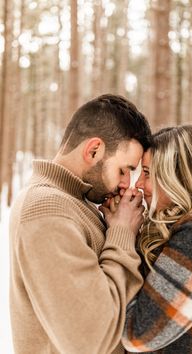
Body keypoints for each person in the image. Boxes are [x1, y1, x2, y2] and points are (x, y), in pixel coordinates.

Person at [9, 94, 152, 354]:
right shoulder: (47, 210)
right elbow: (90, 341)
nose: (125, 184)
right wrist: (121, 233)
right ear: (94, 150)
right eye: (123, 170)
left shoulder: (75, 203)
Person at [119, 125, 192, 353]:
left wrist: (121, 233)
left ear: (179, 176)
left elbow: (139, 334)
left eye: (147, 173)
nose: (139, 185)